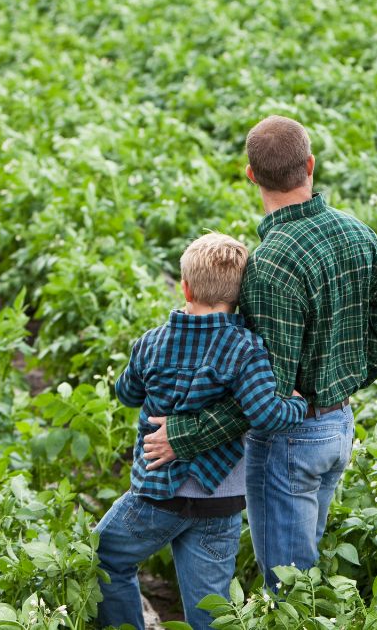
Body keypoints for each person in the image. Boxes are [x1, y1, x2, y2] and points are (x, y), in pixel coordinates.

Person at [140, 115, 377, 590]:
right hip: (336, 427)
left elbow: (265, 400)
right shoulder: (354, 231)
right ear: (310, 165)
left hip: (292, 440)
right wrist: (349, 375)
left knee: (289, 588)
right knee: (302, 576)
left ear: (251, 175)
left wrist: (183, 436)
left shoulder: (269, 265)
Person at [94, 233, 308, 630]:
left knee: (103, 558)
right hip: (220, 499)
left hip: (158, 493)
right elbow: (265, 414)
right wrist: (297, 402)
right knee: (209, 605)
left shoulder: (153, 343)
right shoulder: (247, 348)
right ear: (239, 295)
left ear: (185, 286)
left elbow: (125, 393)